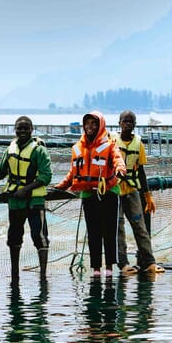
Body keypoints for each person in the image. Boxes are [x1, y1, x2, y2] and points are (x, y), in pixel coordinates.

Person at [55, 111, 128, 277]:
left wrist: (120, 170)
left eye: (94, 123)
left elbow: (118, 160)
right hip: (88, 195)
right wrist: (61, 186)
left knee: (110, 232)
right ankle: (95, 268)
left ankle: (109, 267)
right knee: (93, 232)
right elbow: (73, 172)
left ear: (100, 125)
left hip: (108, 192)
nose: (90, 126)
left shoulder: (109, 144)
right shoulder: (78, 147)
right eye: (87, 123)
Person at [0, 116, 52, 277]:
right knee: (14, 236)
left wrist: (27, 189)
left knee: (39, 235)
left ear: (31, 130)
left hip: (35, 200)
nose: (22, 131)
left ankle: (43, 274)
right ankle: (14, 272)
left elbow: (46, 176)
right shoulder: (10, 148)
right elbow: (1, 170)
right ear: (15, 129)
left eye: (26, 128)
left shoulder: (39, 150)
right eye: (19, 128)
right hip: (14, 199)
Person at [114, 110, 162, 274]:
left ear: (135, 125)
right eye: (125, 121)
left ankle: (148, 261)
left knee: (139, 225)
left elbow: (141, 171)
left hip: (132, 190)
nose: (128, 124)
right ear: (119, 123)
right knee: (118, 227)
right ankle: (123, 264)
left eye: (131, 122)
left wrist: (147, 195)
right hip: (116, 190)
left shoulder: (138, 144)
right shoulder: (112, 141)